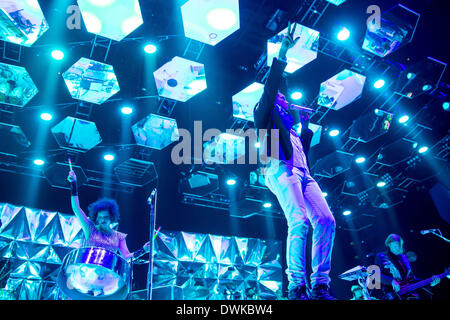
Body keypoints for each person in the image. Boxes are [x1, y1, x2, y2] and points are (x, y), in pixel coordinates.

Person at [253, 22, 336, 300]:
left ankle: (321, 282)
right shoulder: (264, 113)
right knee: (299, 221)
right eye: (281, 96)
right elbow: (271, 88)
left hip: (304, 173)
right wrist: (282, 54)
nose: (285, 98)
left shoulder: (291, 128)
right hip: (280, 170)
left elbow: (301, 150)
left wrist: (305, 126)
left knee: (325, 220)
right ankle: (297, 285)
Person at [67, 170, 149, 260]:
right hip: (87, 270)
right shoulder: (90, 228)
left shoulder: (119, 237)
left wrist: (143, 250)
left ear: (112, 217)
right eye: (100, 217)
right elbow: (76, 209)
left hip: (106, 272)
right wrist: (74, 183)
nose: (103, 220)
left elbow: (126, 257)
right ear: (96, 218)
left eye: (106, 217)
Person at [375, 234, 440, 300]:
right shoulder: (381, 256)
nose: (398, 248)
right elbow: (376, 275)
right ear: (389, 244)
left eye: (399, 245)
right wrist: (391, 281)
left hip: (410, 294)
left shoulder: (404, 258)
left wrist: (429, 283)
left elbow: (412, 279)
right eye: (395, 245)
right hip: (394, 294)